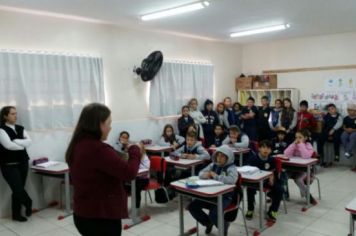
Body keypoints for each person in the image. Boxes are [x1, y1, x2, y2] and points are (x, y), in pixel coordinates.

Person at [65, 103, 143, 236]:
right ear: (98, 125)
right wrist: (135, 150)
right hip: (101, 217)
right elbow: (129, 173)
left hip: (83, 213)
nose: (110, 128)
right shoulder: (98, 149)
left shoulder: (78, 144)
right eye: (108, 123)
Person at [188, 145, 238, 236]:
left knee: (214, 214)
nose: (219, 158)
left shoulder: (231, 168)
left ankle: (224, 227)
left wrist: (215, 176)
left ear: (228, 157)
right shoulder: (213, 165)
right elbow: (200, 173)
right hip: (211, 195)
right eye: (218, 155)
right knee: (192, 206)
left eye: (222, 156)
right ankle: (208, 223)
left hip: (225, 197)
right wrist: (205, 175)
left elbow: (231, 180)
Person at [0, 106, 32, 222]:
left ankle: (16, 214)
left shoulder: (20, 128)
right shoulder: (1, 129)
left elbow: (29, 142)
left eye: (15, 113)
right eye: (12, 114)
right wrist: (22, 144)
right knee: (18, 188)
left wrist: (17, 141)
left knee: (18, 189)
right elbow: (8, 146)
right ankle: (29, 203)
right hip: (8, 164)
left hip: (23, 162)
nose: (15, 116)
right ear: (5, 116)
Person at [245, 140, 283, 222]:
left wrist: (272, 177)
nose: (266, 150)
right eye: (263, 147)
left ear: (271, 150)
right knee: (250, 188)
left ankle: (273, 212)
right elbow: (248, 172)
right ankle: (250, 209)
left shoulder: (272, 160)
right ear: (259, 149)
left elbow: (272, 171)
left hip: (267, 182)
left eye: (268, 148)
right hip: (255, 182)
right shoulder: (253, 159)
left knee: (280, 189)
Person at [284, 129, 317, 205]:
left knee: (298, 180)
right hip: (292, 169)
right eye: (296, 137)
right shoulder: (294, 145)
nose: (297, 139)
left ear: (305, 138)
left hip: (305, 170)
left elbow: (306, 156)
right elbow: (286, 154)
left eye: (300, 137)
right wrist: (293, 145)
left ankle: (309, 197)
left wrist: (301, 145)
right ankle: (285, 195)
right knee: (283, 177)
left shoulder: (308, 145)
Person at [341, 103, 356, 171]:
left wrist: (353, 130)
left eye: (352, 110)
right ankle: (348, 152)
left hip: (354, 131)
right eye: (349, 110)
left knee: (352, 136)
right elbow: (344, 126)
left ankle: (348, 151)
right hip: (347, 131)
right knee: (343, 136)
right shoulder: (346, 118)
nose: (350, 111)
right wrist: (346, 130)